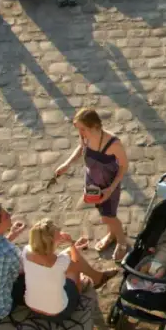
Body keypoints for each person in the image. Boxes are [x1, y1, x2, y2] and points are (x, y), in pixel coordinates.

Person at [55, 108, 129, 262]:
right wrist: (67, 164)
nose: (80, 133)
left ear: (95, 126)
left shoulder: (113, 143)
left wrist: (111, 189)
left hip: (108, 185)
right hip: (92, 182)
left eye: (83, 129)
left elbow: (123, 166)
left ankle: (122, 241)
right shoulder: (86, 136)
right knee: (103, 213)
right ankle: (111, 234)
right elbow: (81, 148)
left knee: (109, 216)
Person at [21, 219, 118, 320]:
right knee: (74, 267)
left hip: (33, 308)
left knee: (66, 260)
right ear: (51, 241)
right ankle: (94, 281)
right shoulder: (60, 262)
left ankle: (97, 277)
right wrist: (71, 244)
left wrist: (71, 247)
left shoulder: (26, 251)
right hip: (59, 312)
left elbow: (47, 257)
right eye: (58, 235)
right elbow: (76, 261)